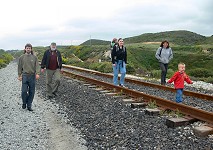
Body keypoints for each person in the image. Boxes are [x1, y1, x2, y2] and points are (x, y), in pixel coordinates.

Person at [18, 43, 40, 111]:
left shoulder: (34, 57)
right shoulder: (21, 57)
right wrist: (19, 75)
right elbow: (19, 67)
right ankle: (24, 102)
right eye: (27, 48)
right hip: (24, 75)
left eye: (29, 48)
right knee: (24, 91)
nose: (28, 49)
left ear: (31, 49)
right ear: (25, 49)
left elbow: (37, 66)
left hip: (32, 76)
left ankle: (29, 105)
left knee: (32, 91)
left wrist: (37, 74)